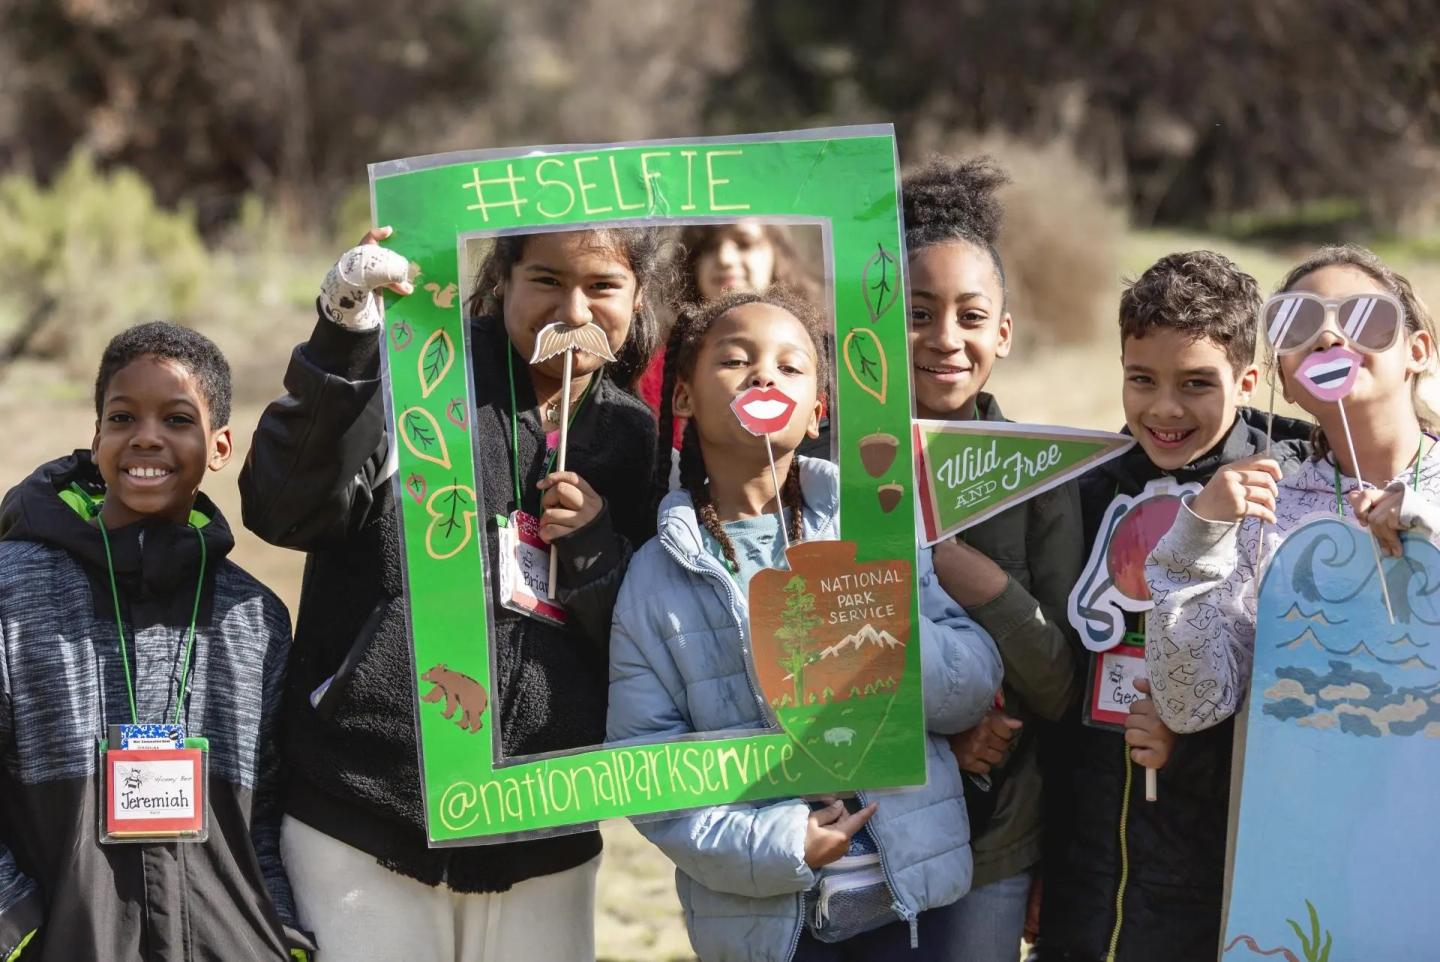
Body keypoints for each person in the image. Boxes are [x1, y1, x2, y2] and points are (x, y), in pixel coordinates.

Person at [239, 225, 662, 962]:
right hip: (364, 814)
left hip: (545, 835)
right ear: (501, 279)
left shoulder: (635, 436)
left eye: (602, 286)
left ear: (638, 296)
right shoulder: (419, 373)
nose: (573, 306)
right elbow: (284, 505)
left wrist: (595, 551)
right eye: (545, 279)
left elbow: (648, 636)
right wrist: (346, 337)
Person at [607, 286, 1003, 961]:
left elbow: (972, 683)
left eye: (791, 368)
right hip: (770, 930)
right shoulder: (654, 581)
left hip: (918, 911)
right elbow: (649, 775)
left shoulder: (876, 529)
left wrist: (887, 642)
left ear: (816, 411)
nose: (765, 375)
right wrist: (782, 844)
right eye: (736, 361)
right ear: (681, 399)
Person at [1032, 251, 1313, 962]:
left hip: (1209, 880)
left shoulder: (1291, 489)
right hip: (1085, 868)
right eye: (1142, 380)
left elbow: (1301, 695)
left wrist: (1193, 752)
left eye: (1196, 385)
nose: (1165, 408)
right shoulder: (1085, 487)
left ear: (1248, 381)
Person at [0, 322, 312, 961]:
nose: (146, 436)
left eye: (176, 418)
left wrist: (282, 935)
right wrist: (15, 924)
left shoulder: (254, 618)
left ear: (219, 446)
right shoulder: (15, 589)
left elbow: (271, 818)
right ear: (96, 439)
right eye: (122, 417)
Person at [902, 157, 1083, 961]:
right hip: (865, 827)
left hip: (996, 842)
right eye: (917, 313)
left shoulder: (1042, 479)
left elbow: (1062, 681)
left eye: (971, 317)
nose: (945, 339)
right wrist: (935, 740)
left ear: (1003, 333)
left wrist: (988, 587)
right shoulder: (824, 465)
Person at [1148, 245, 1440, 732]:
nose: (1328, 335)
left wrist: (1428, 531)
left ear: (1418, 351)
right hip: (1298, 801)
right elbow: (1191, 705)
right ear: (1286, 379)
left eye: (1363, 316)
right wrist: (1196, 539)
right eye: (1296, 326)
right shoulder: (1263, 513)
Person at [638, 220, 828, 460]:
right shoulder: (656, 372)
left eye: (744, 244)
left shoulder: (826, 358)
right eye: (709, 247)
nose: (725, 258)